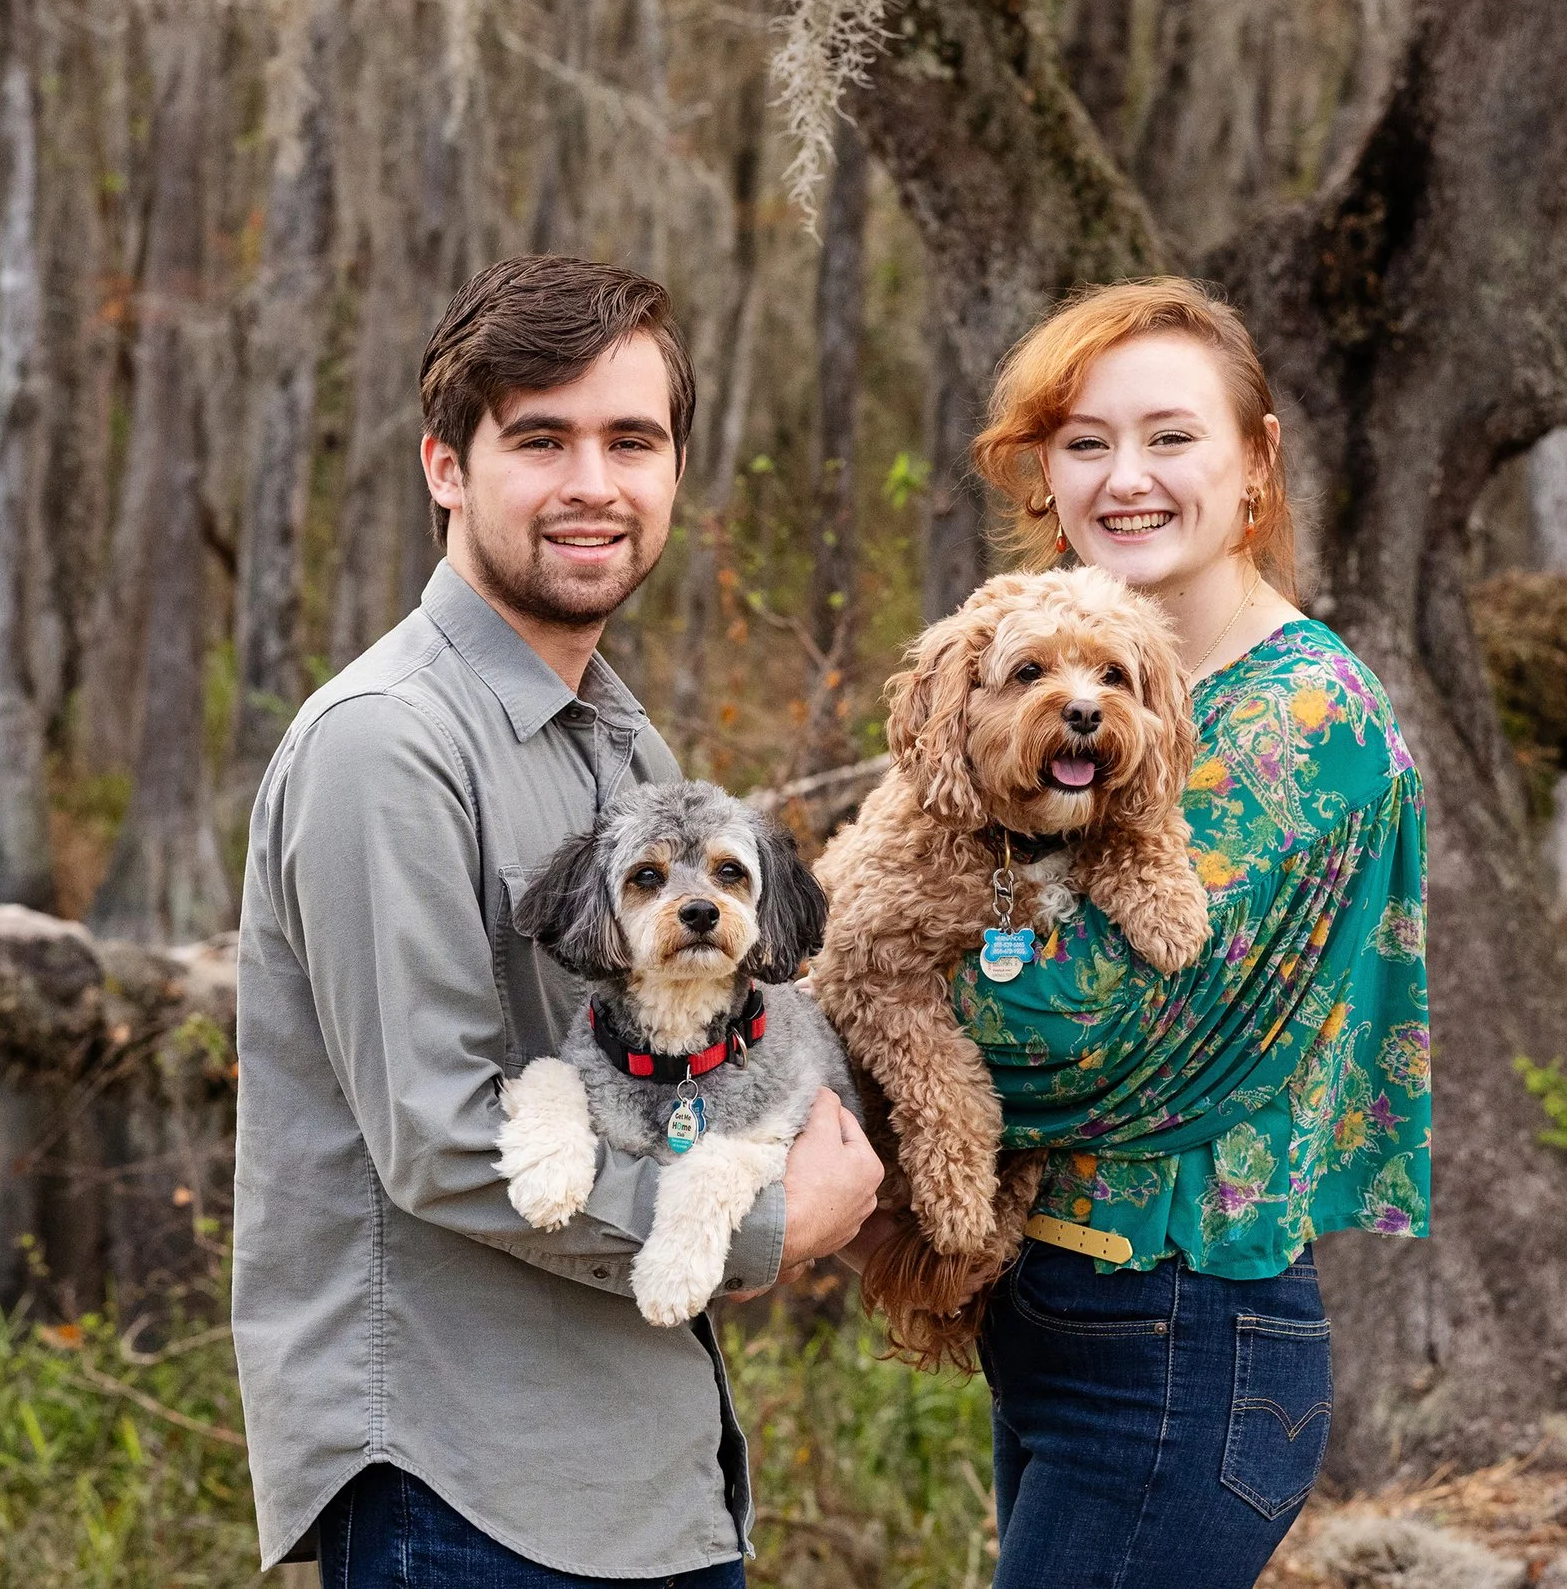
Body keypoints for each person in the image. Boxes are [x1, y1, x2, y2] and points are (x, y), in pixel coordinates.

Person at [232, 255, 883, 1587]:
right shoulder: (386, 745)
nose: (594, 482)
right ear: (446, 466)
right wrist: (774, 1224)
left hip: (648, 1479)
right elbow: (442, 1135)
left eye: (631, 440)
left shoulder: (625, 750)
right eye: (542, 438)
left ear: (674, 474)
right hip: (470, 1490)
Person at [858, 277, 1433, 1587]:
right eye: (1085, 441)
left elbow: (1080, 1026)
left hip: (1179, 1337)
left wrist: (880, 986)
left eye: (1171, 437)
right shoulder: (1054, 676)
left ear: (1255, 465)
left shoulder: (1303, 718)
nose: (1127, 478)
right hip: (1058, 1318)